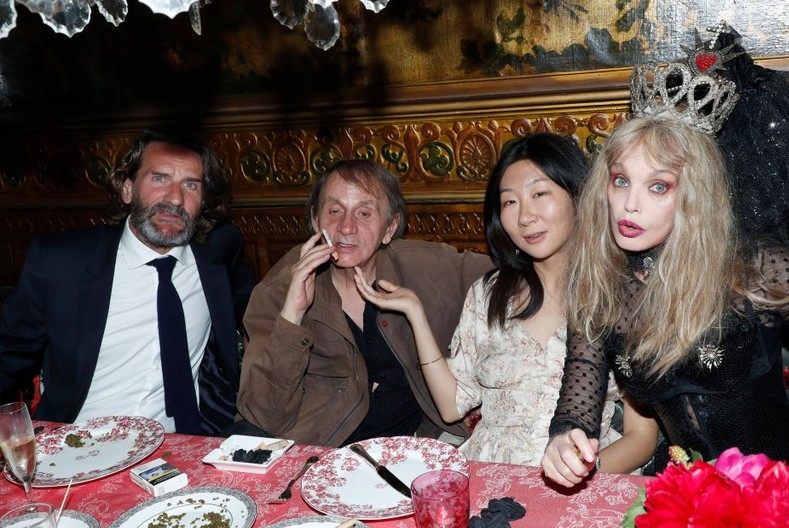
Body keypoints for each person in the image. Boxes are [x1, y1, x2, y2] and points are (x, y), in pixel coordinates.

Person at [541, 25, 789, 488]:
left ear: (695, 197)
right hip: (684, 500)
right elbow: (579, 392)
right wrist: (565, 437)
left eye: (658, 186)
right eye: (621, 181)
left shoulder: (754, 267)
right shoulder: (599, 284)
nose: (629, 204)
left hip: (787, 492)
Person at [354, 133, 660, 470]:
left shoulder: (619, 294)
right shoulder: (489, 293)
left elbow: (641, 438)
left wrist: (579, 471)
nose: (525, 216)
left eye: (539, 194)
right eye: (510, 202)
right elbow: (452, 405)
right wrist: (416, 314)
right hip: (491, 471)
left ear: (578, 196)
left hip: (583, 477)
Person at [0, 129, 255, 436]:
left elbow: (258, 315)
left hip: (185, 445)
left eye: (191, 185)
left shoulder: (220, 252)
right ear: (126, 188)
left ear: (203, 200)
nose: (175, 198)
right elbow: (7, 355)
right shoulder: (61, 264)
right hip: (77, 443)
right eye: (159, 178)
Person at [236, 159, 494, 446]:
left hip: (416, 446)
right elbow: (261, 418)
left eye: (364, 213)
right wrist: (293, 315)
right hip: (320, 453)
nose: (346, 227)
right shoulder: (278, 289)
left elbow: (512, 275)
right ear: (315, 220)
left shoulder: (429, 268)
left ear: (390, 227)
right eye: (334, 211)